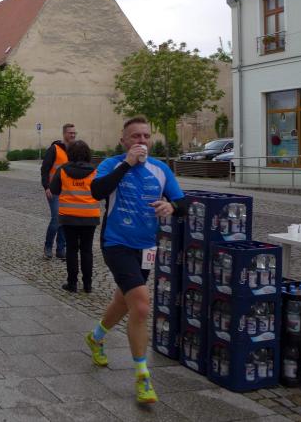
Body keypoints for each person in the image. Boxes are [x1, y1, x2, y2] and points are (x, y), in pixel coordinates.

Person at [84, 117, 187, 405]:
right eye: (135, 136)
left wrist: (171, 206)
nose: (142, 141)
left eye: (146, 136)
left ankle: (95, 337)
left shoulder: (160, 169)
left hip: (146, 247)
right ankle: (142, 376)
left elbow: (184, 203)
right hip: (116, 243)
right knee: (141, 305)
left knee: (124, 300)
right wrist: (127, 164)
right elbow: (96, 191)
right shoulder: (112, 164)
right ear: (124, 141)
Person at [48, 140, 99, 293]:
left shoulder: (62, 170)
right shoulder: (95, 171)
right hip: (90, 216)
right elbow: (99, 191)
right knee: (87, 250)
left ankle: (72, 283)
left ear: (70, 154)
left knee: (71, 249)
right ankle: (87, 285)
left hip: (69, 216)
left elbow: (54, 190)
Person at [39, 123, 76, 259]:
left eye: (74, 133)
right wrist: (46, 187)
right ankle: (48, 247)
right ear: (64, 134)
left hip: (68, 191)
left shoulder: (74, 150)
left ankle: (61, 249)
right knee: (56, 219)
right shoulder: (54, 149)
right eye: (70, 133)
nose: (73, 135)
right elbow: (45, 169)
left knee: (65, 220)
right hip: (53, 190)